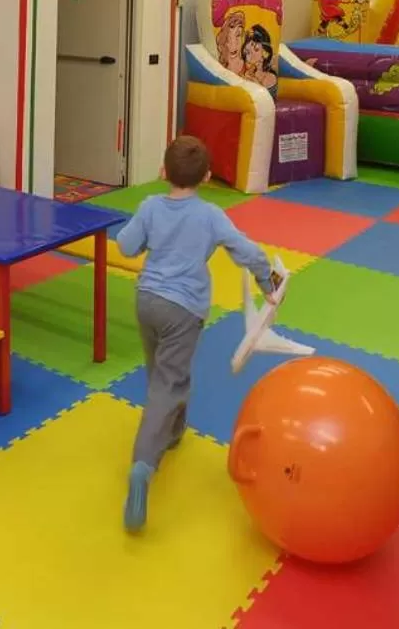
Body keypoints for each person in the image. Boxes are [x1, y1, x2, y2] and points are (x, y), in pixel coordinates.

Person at [115, 135, 275, 533]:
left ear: (163, 171)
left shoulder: (151, 206)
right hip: (183, 309)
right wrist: (267, 283)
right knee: (169, 382)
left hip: (147, 300)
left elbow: (125, 246)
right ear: (206, 175)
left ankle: (172, 432)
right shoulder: (210, 216)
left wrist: (148, 232)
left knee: (163, 372)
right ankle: (143, 464)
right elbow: (247, 251)